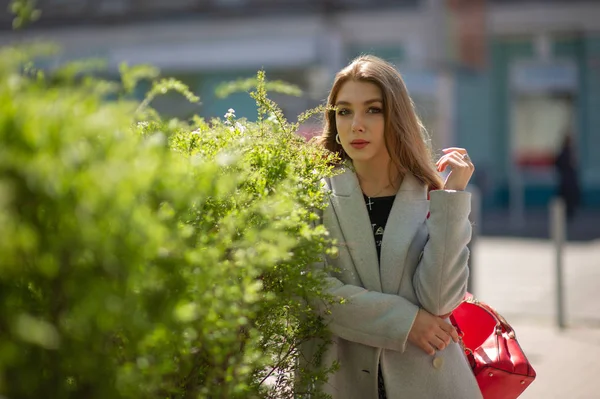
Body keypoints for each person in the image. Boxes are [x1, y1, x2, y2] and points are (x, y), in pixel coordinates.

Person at [305, 55, 482, 398]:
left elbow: (441, 301)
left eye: (373, 109)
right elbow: (315, 292)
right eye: (344, 111)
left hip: (430, 381)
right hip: (341, 381)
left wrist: (454, 197)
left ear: (395, 117)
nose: (357, 124)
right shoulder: (313, 196)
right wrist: (406, 322)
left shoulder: (432, 195)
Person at [555, 133, 581, 221]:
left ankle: (568, 214)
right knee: (568, 199)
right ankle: (568, 215)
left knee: (567, 199)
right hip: (568, 179)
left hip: (566, 179)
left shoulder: (568, 152)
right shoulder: (567, 152)